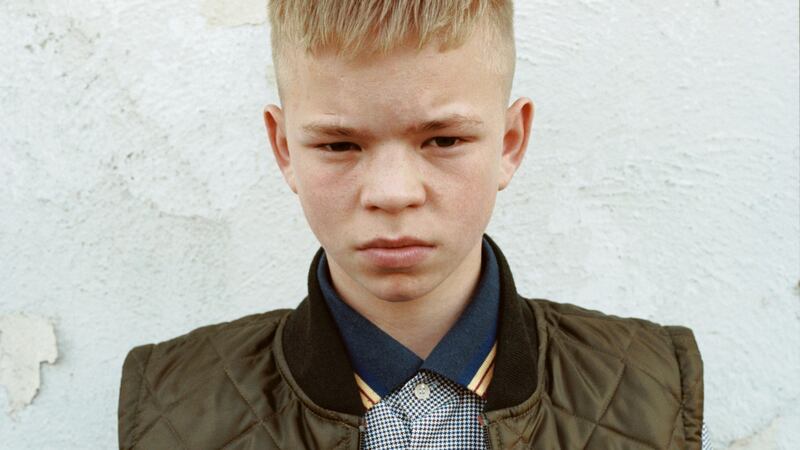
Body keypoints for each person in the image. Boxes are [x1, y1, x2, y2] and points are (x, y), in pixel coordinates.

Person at [118, 1, 711, 448]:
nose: (393, 194)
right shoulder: (172, 401)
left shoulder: (652, 384)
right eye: (339, 144)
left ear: (510, 142)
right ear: (283, 149)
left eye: (444, 139)